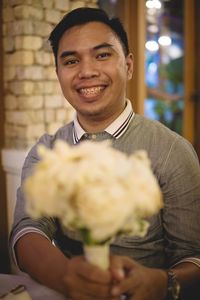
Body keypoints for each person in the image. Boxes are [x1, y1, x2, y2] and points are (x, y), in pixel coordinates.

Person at [9, 7, 200, 300]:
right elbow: (28, 229)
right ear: (58, 74)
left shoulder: (172, 151)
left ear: (129, 65)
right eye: (71, 61)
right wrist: (65, 276)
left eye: (102, 55)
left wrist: (162, 281)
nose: (87, 72)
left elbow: (193, 255)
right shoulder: (47, 151)